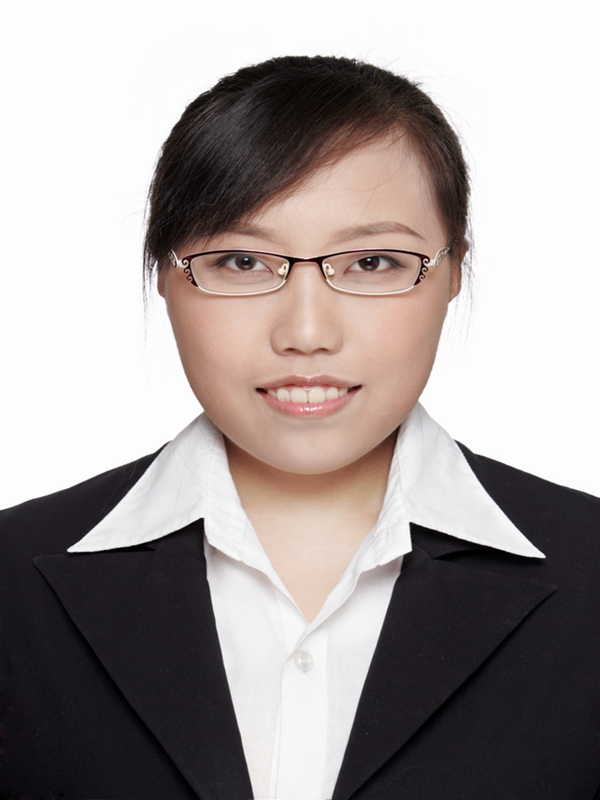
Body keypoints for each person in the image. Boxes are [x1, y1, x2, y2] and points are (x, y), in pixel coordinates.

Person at [1, 55, 599, 800]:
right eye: (242, 261)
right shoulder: (13, 580)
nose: (307, 333)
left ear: (453, 272)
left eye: (373, 261)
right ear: (163, 272)